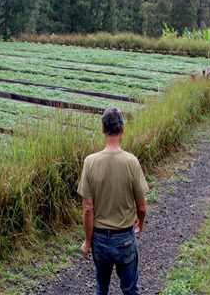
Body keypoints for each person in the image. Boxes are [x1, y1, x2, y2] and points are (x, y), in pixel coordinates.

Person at [78, 107, 149, 295]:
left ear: (103, 129)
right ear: (122, 130)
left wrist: (87, 241)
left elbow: (87, 209)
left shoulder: (90, 162)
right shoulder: (131, 162)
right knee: (130, 289)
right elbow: (142, 207)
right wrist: (140, 224)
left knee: (101, 288)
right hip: (125, 238)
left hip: (99, 240)